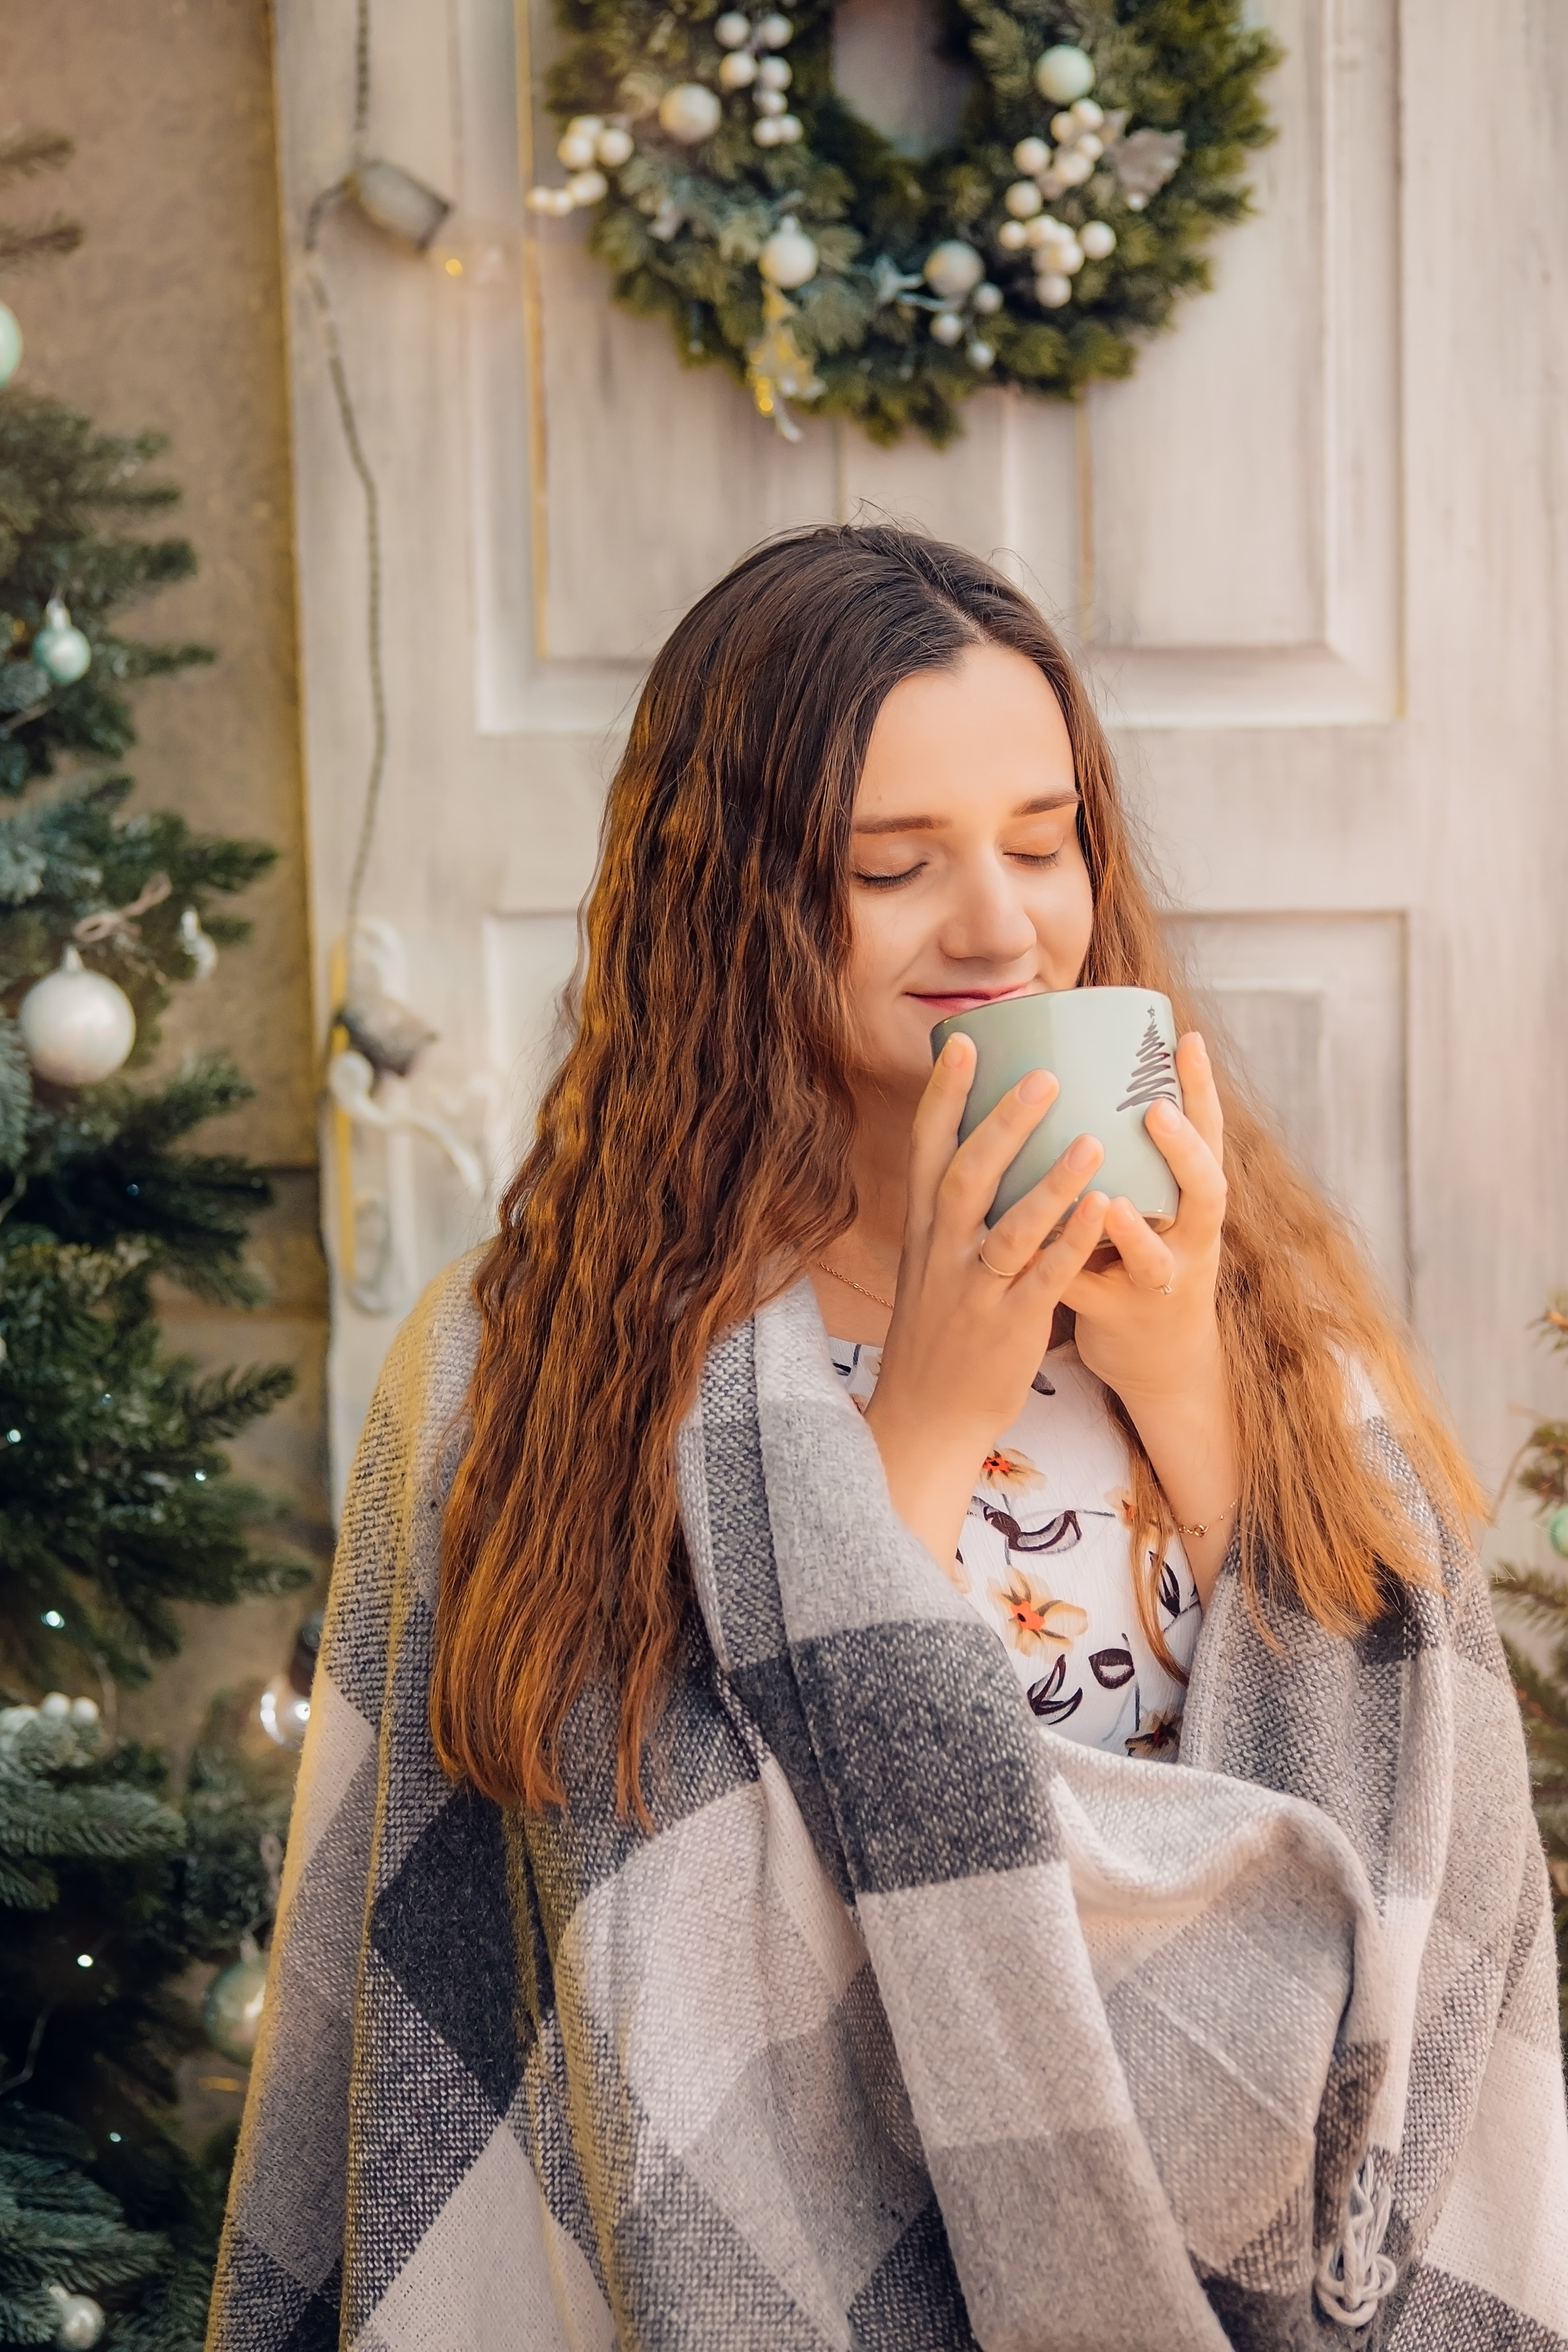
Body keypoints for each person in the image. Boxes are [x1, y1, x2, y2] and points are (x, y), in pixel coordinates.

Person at [209, 526, 1568, 2352]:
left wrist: (1187, 1384)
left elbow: (1429, 1835)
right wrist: (912, 1429)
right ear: (732, 898)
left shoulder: (1254, 1318)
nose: (1002, 924)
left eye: (1040, 837)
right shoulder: (520, 1368)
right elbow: (647, 1965)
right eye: (891, 867)